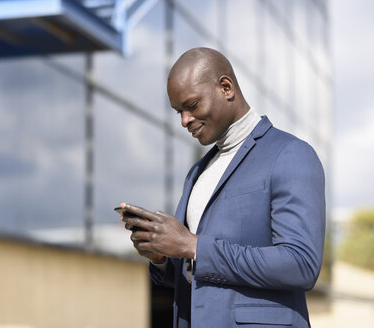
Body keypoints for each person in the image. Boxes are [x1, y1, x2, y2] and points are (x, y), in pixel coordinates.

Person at [121, 47, 325, 328]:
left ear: (226, 87)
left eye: (191, 105)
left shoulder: (290, 155)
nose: (184, 120)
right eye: (178, 111)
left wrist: (193, 246)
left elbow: (300, 264)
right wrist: (161, 257)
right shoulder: (198, 172)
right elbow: (198, 275)